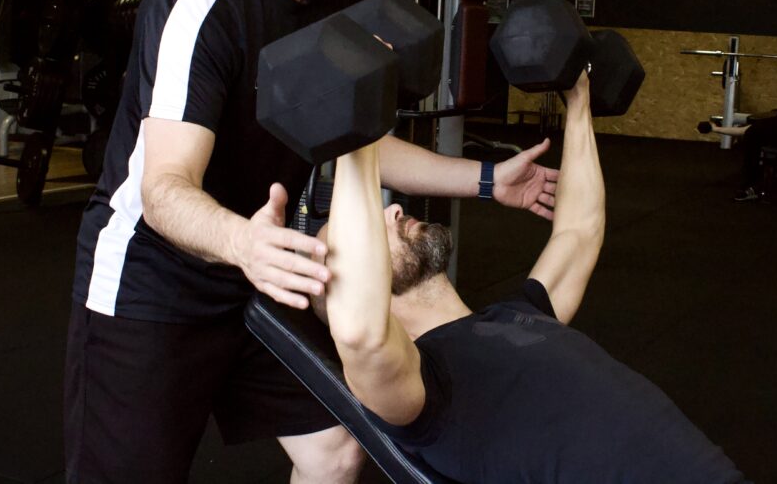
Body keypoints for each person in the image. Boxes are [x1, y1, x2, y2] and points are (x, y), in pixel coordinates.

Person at [63, 0, 559, 483]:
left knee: (335, 448)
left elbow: (360, 140)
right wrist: (243, 244)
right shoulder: (206, 3)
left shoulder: (335, 11)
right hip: (151, 287)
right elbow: (164, 189)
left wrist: (491, 180)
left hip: (258, 272)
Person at [315, 71, 748, 483]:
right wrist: (358, 122)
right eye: (370, 227)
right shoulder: (419, 390)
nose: (393, 209)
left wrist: (578, 98)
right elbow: (359, 334)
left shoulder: (519, 313)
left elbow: (580, 230)